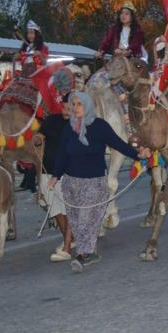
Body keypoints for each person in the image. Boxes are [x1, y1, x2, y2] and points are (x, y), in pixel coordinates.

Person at [48, 92, 151, 272]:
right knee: (76, 220)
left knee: (88, 218)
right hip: (70, 183)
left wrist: (138, 155)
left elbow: (119, 144)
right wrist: (55, 175)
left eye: (79, 104)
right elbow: (62, 154)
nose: (75, 107)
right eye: (73, 104)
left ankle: (84, 255)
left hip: (94, 182)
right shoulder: (69, 128)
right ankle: (90, 250)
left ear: (87, 106)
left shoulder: (100, 126)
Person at [35, 94, 73, 262]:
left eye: (69, 108)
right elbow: (40, 137)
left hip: (68, 173)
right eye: (64, 107)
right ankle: (69, 239)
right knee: (55, 208)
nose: (66, 111)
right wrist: (35, 139)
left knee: (69, 209)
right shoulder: (51, 120)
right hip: (47, 172)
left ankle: (67, 244)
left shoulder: (79, 124)